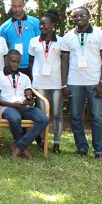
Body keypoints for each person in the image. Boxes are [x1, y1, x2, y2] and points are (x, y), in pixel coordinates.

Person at [61, 7, 102, 158]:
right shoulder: (68, 37)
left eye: (82, 15)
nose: (78, 18)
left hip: (94, 82)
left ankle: (99, 150)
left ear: (89, 16)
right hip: (74, 82)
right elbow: (64, 62)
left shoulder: (99, 35)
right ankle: (82, 147)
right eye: (76, 16)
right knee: (75, 117)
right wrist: (64, 85)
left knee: (96, 117)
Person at [0, 50, 49, 159]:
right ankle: (23, 147)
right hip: (7, 107)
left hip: (23, 107)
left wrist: (29, 100)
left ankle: (19, 145)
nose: (15, 64)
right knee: (14, 118)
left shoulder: (24, 77)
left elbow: (28, 95)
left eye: (18, 62)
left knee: (43, 119)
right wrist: (12, 104)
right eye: (13, 61)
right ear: (6, 60)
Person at [28, 10, 63, 154]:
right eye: (40, 24)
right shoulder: (34, 41)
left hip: (56, 82)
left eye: (44, 24)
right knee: (42, 114)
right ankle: (42, 141)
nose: (41, 27)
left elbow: (65, 61)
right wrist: (32, 79)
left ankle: (56, 143)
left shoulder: (61, 41)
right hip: (39, 82)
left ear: (53, 25)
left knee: (56, 113)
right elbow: (31, 62)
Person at [0, 0, 40, 78]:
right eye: (14, 6)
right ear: (11, 6)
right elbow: (3, 48)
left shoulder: (35, 22)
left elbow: (39, 43)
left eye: (19, 6)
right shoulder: (5, 26)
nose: (17, 9)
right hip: (13, 66)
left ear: (23, 5)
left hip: (32, 64)